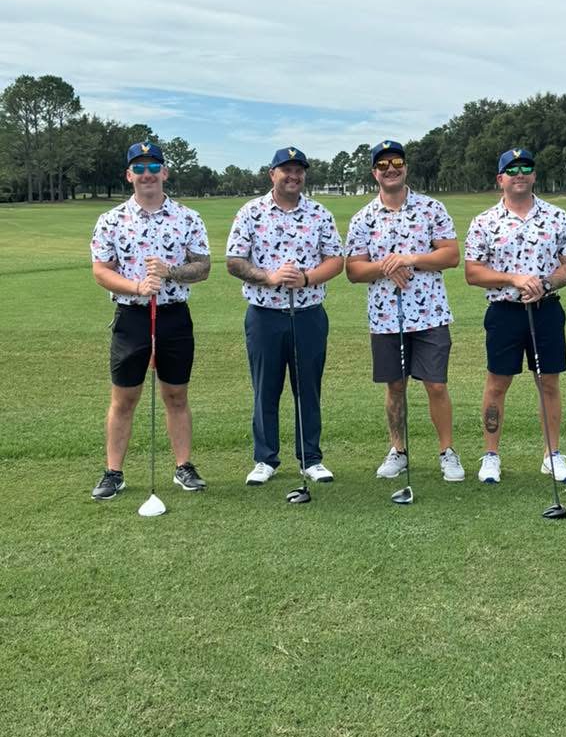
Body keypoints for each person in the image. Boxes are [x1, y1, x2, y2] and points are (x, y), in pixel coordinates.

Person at [90, 141, 211, 500]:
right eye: (139, 168)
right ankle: (114, 472)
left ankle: (183, 466)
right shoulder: (111, 220)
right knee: (124, 398)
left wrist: (170, 272)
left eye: (153, 167)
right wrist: (137, 287)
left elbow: (203, 267)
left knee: (176, 395)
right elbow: (100, 271)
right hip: (131, 317)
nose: (147, 174)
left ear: (165, 172)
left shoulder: (188, 217)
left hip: (174, 316)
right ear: (129, 175)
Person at [345, 140, 465, 483]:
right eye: (383, 165)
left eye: (396, 162)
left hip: (430, 314)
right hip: (385, 317)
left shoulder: (432, 208)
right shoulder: (362, 218)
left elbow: (450, 255)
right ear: (374, 173)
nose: (391, 168)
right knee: (395, 386)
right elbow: (354, 270)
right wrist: (386, 266)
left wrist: (410, 258)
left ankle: (447, 452)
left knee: (436, 386)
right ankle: (398, 450)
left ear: (406, 167)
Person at [226, 146, 344, 487]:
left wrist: (306, 278)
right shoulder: (251, 212)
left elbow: (335, 260)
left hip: (308, 314)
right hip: (264, 315)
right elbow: (234, 261)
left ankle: (311, 458)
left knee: (308, 387)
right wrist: (268, 277)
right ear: (272, 174)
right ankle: (265, 459)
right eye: (286, 170)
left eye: (299, 170)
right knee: (266, 388)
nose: (293, 176)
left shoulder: (319, 213)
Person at [464, 147, 566, 484]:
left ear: (534, 175)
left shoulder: (556, 216)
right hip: (504, 312)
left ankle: (552, 454)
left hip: (546, 310)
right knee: (497, 383)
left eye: (526, 167)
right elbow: (473, 272)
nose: (519, 173)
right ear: (500, 178)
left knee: (548, 382)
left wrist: (545, 283)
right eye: (511, 169)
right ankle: (491, 455)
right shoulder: (484, 221)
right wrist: (513, 279)